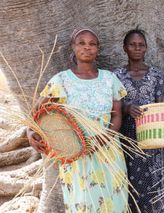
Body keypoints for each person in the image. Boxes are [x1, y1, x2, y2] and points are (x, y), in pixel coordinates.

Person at [27, 28, 129, 212]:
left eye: (92, 44)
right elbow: (36, 113)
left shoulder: (109, 79)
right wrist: (30, 132)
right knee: (82, 203)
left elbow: (117, 114)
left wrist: (105, 137)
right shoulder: (61, 81)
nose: (87, 47)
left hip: (108, 151)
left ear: (98, 48)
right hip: (75, 153)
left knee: (114, 203)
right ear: (73, 47)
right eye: (81, 43)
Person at [114, 29, 164, 213]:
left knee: (154, 182)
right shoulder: (115, 77)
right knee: (130, 181)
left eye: (141, 45)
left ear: (146, 48)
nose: (137, 48)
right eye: (132, 44)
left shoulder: (157, 76)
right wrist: (126, 108)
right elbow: (112, 109)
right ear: (125, 48)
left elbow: (161, 108)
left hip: (152, 139)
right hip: (126, 139)